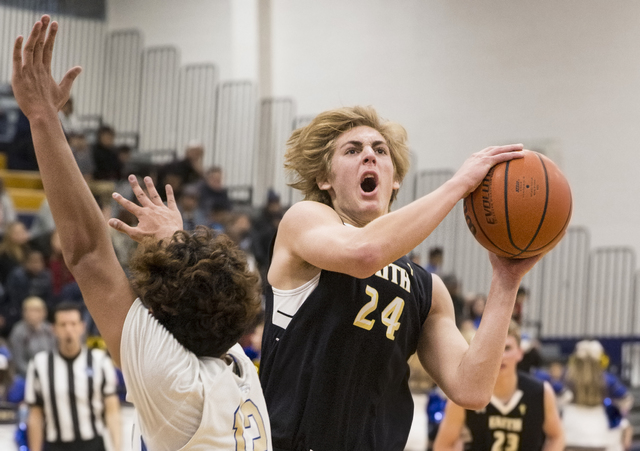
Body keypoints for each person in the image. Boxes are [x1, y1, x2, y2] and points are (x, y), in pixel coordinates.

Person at [110, 102, 550, 449]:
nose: (369, 157)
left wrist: (505, 279)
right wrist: (459, 185)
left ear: (394, 180)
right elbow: (365, 253)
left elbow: (472, 388)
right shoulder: (305, 223)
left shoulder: (427, 289)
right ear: (324, 178)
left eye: (379, 151)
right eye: (352, 150)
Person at [12, 15, 271, 451]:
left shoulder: (176, 383)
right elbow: (200, 294)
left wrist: (42, 120)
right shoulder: (238, 365)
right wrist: (173, 239)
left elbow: (89, 253)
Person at [433, 321, 564, 451]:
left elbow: (557, 437)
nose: (501, 356)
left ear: (520, 353)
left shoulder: (541, 392)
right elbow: (443, 445)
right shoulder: (465, 392)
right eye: (494, 349)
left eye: (507, 348)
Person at [24, 302, 120, 451]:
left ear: (82, 327)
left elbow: (112, 411)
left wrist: (118, 448)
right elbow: (35, 416)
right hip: (55, 445)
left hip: (92, 444)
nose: (69, 330)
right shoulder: (39, 364)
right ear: (53, 329)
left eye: (73, 324)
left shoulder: (100, 361)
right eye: (63, 325)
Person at [8, 296, 56, 377]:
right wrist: (34, 374)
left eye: (37, 310)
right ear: (24, 313)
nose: (33, 314)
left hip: (50, 372)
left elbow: (56, 353)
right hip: (25, 375)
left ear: (44, 312)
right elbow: (18, 361)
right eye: (30, 310)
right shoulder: (18, 332)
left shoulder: (50, 330)